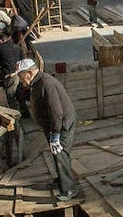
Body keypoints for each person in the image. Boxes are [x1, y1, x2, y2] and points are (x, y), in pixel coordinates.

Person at [12, 58, 78, 202]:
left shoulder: (46, 84)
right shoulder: (37, 83)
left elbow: (56, 112)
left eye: (21, 76)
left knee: (60, 153)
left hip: (61, 124)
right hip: (52, 125)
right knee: (56, 153)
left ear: (29, 73)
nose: (20, 80)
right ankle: (61, 179)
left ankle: (68, 189)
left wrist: (55, 135)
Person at [0, 29, 24, 107]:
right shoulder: (17, 47)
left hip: (10, 75)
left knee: (10, 96)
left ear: (0, 40)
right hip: (19, 74)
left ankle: (14, 114)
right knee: (19, 94)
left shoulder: (0, 48)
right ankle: (25, 112)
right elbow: (23, 59)